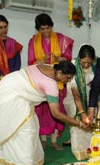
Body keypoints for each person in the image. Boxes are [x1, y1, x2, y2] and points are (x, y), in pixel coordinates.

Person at [0, 61, 88, 165]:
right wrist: (78, 123)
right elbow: (56, 113)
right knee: (27, 129)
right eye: (68, 78)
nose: (68, 81)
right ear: (60, 73)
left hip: (9, 82)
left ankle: (4, 157)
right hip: (12, 94)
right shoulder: (51, 85)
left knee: (27, 126)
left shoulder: (51, 66)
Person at [28, 13, 74, 151]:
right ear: (38, 29)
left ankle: (54, 141)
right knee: (42, 111)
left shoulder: (61, 39)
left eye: (47, 28)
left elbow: (68, 59)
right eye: (42, 29)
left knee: (56, 109)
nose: (45, 31)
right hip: (41, 82)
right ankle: (42, 140)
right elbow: (30, 63)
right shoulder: (33, 41)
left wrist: (58, 58)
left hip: (59, 81)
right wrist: (41, 61)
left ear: (51, 26)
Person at [63, 44, 96, 160]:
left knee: (91, 122)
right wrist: (82, 112)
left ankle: (91, 149)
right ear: (79, 59)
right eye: (83, 62)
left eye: (89, 62)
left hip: (89, 97)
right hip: (72, 97)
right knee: (77, 122)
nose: (86, 65)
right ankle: (79, 152)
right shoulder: (73, 66)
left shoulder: (96, 67)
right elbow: (76, 94)